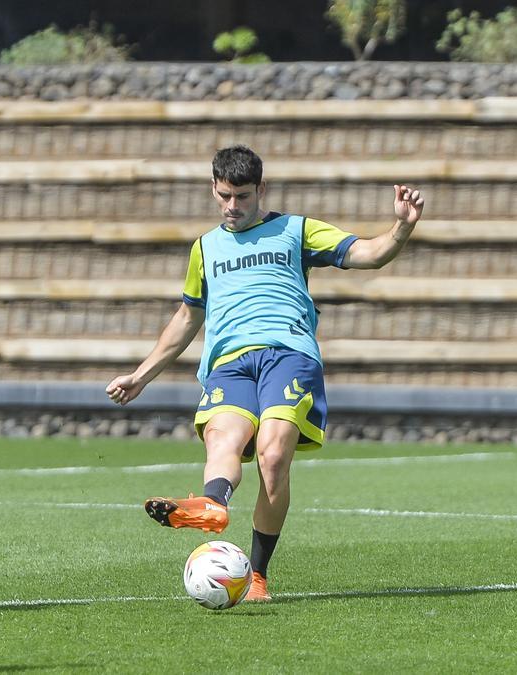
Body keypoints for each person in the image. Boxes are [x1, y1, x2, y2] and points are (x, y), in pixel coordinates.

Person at [105, 145, 424, 603]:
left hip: (288, 354)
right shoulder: (204, 248)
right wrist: (142, 375)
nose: (232, 207)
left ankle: (257, 576)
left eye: (242, 197)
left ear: (262, 190)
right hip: (229, 362)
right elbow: (185, 319)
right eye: (224, 196)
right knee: (223, 440)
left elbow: (370, 255)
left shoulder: (296, 230)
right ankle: (213, 505)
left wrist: (402, 227)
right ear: (214, 190)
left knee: (273, 459)